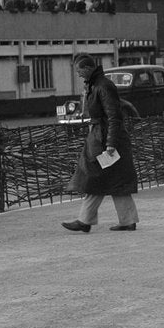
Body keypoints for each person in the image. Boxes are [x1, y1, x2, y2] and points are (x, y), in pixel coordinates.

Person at [62, 54, 140, 232]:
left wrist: (111, 144)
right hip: (102, 138)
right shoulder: (96, 85)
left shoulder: (103, 86)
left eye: (80, 71)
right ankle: (126, 220)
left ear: (88, 69)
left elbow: (114, 117)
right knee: (113, 180)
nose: (79, 75)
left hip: (107, 140)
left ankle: (85, 221)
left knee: (95, 177)